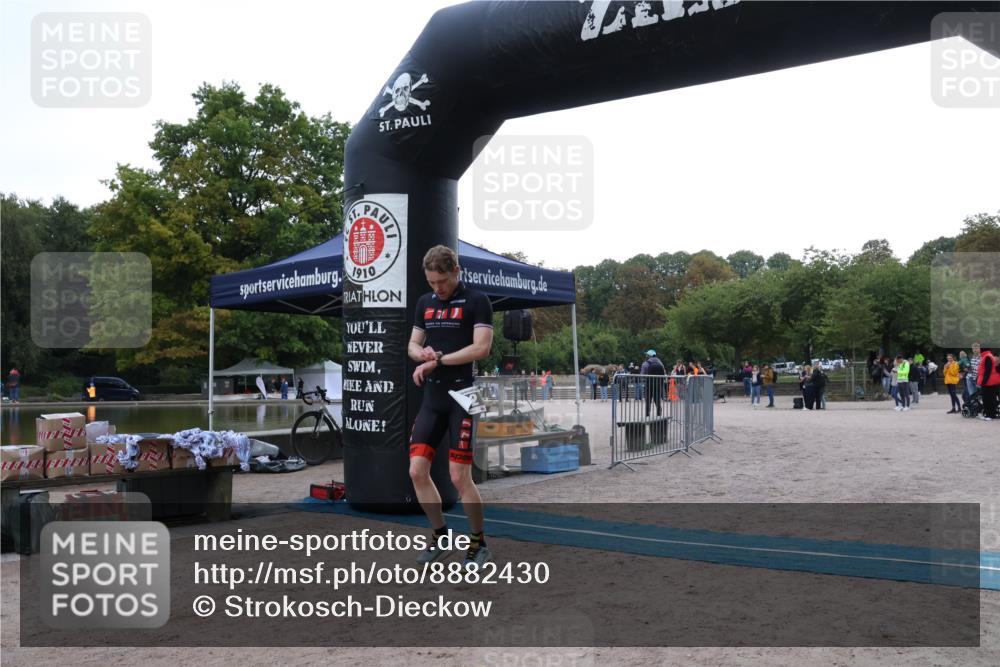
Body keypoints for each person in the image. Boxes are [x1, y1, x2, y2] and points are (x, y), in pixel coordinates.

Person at [407, 245, 495, 568]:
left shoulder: (477, 301)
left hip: (465, 394)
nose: (437, 288)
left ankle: (478, 542)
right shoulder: (425, 303)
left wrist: (438, 359)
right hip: (433, 397)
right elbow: (413, 344)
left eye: (442, 281)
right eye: (431, 282)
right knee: (416, 470)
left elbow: (481, 348)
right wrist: (423, 356)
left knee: (459, 478)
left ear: (456, 271)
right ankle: (440, 534)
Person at [976, 346, 1000, 420]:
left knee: (988, 399)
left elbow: (988, 370)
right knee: (989, 398)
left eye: (980, 348)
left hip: (988, 382)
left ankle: (990, 415)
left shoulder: (987, 357)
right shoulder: (987, 356)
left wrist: (984, 381)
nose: (979, 349)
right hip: (989, 381)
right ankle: (989, 414)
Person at [640, 350, 666, 417]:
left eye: (647, 355)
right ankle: (659, 415)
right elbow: (664, 373)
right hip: (658, 385)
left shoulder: (645, 364)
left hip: (648, 385)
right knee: (657, 401)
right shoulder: (660, 363)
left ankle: (647, 416)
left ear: (648, 356)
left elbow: (642, 376)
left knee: (648, 401)